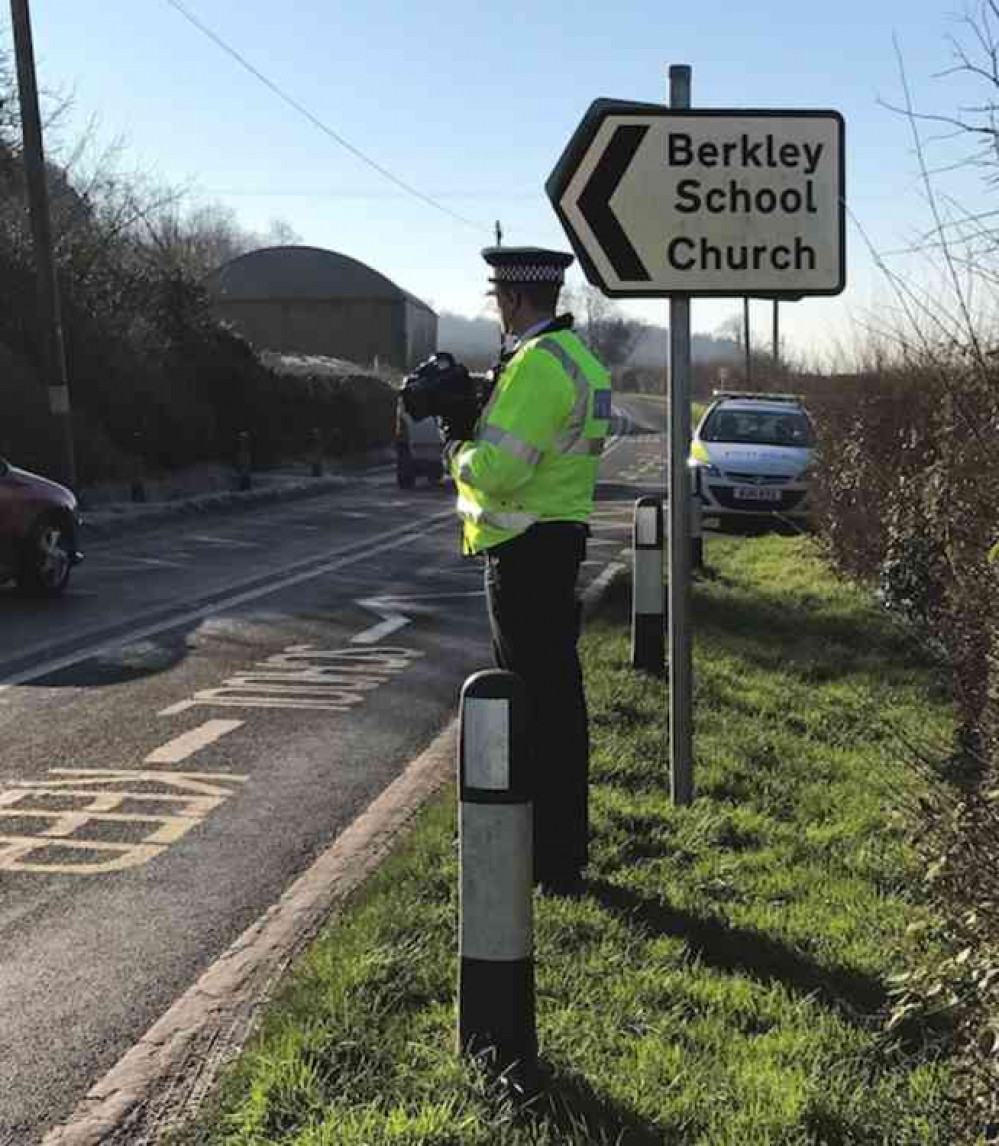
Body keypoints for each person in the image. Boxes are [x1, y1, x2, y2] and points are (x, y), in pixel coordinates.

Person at [443, 246, 612, 893]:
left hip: (524, 547)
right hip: (558, 536)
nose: (495, 310)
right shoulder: (578, 359)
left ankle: (545, 860)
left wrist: (455, 446)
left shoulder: (537, 366)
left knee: (532, 707)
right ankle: (562, 851)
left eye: (496, 299)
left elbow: (500, 468)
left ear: (512, 299)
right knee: (557, 703)